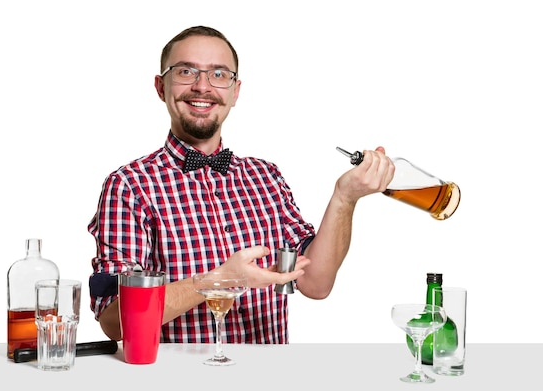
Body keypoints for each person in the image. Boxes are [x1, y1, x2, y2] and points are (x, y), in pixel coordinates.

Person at [88, 25, 395, 344]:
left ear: (235, 91)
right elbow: (115, 321)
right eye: (186, 71)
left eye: (219, 74)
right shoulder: (129, 185)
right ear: (160, 86)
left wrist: (344, 199)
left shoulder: (267, 177)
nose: (202, 86)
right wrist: (217, 281)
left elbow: (316, 284)